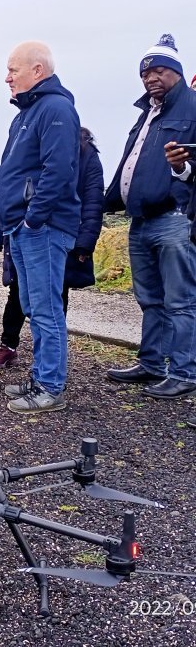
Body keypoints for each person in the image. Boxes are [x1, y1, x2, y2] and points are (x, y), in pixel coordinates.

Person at [104, 34, 196, 403]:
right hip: (139, 220)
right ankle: (152, 362)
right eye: (145, 73)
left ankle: (185, 371)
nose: (151, 78)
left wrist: (185, 169)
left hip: (175, 218)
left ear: (176, 72)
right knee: (150, 299)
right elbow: (131, 163)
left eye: (159, 70)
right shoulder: (147, 114)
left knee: (180, 301)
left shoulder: (191, 108)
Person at [0, 41, 81, 415]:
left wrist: (33, 217)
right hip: (23, 226)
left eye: (13, 70)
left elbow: (59, 170)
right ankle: (41, 375)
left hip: (42, 227)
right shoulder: (26, 115)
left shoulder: (56, 109)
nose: (7, 77)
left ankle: (50, 386)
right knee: (33, 305)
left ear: (38, 70)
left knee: (46, 308)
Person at [0, 127, 104, 369]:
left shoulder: (87, 155)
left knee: (55, 298)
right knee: (18, 293)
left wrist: (85, 242)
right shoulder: (35, 150)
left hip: (61, 232)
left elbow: (93, 202)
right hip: (24, 232)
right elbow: (8, 190)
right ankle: (9, 345)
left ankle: (48, 368)